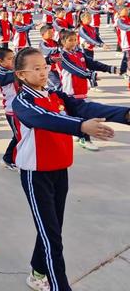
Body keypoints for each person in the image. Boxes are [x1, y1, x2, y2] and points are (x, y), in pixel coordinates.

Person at [13, 47, 129, 291]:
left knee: (51, 228)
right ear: (22, 75)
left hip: (59, 169)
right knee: (52, 238)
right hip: (37, 174)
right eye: (36, 69)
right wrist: (81, 127)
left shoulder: (53, 94)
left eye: (44, 67)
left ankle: (38, 271)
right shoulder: (23, 101)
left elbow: (84, 108)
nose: (43, 72)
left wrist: (124, 114)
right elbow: (44, 119)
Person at [59, 29, 118, 151]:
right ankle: (85, 139)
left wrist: (110, 68)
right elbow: (75, 69)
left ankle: (76, 132)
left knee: (75, 113)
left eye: (75, 40)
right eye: (70, 40)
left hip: (81, 89)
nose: (74, 42)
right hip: (71, 90)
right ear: (63, 41)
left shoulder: (79, 53)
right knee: (82, 114)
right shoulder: (63, 56)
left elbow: (92, 63)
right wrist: (91, 75)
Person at [0, 48, 19, 171]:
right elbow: (12, 76)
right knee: (17, 136)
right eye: (10, 59)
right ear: (1, 61)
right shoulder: (2, 74)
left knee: (21, 135)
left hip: (20, 108)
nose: (13, 61)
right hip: (11, 111)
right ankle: (7, 159)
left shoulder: (12, 70)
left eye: (14, 58)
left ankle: (17, 158)